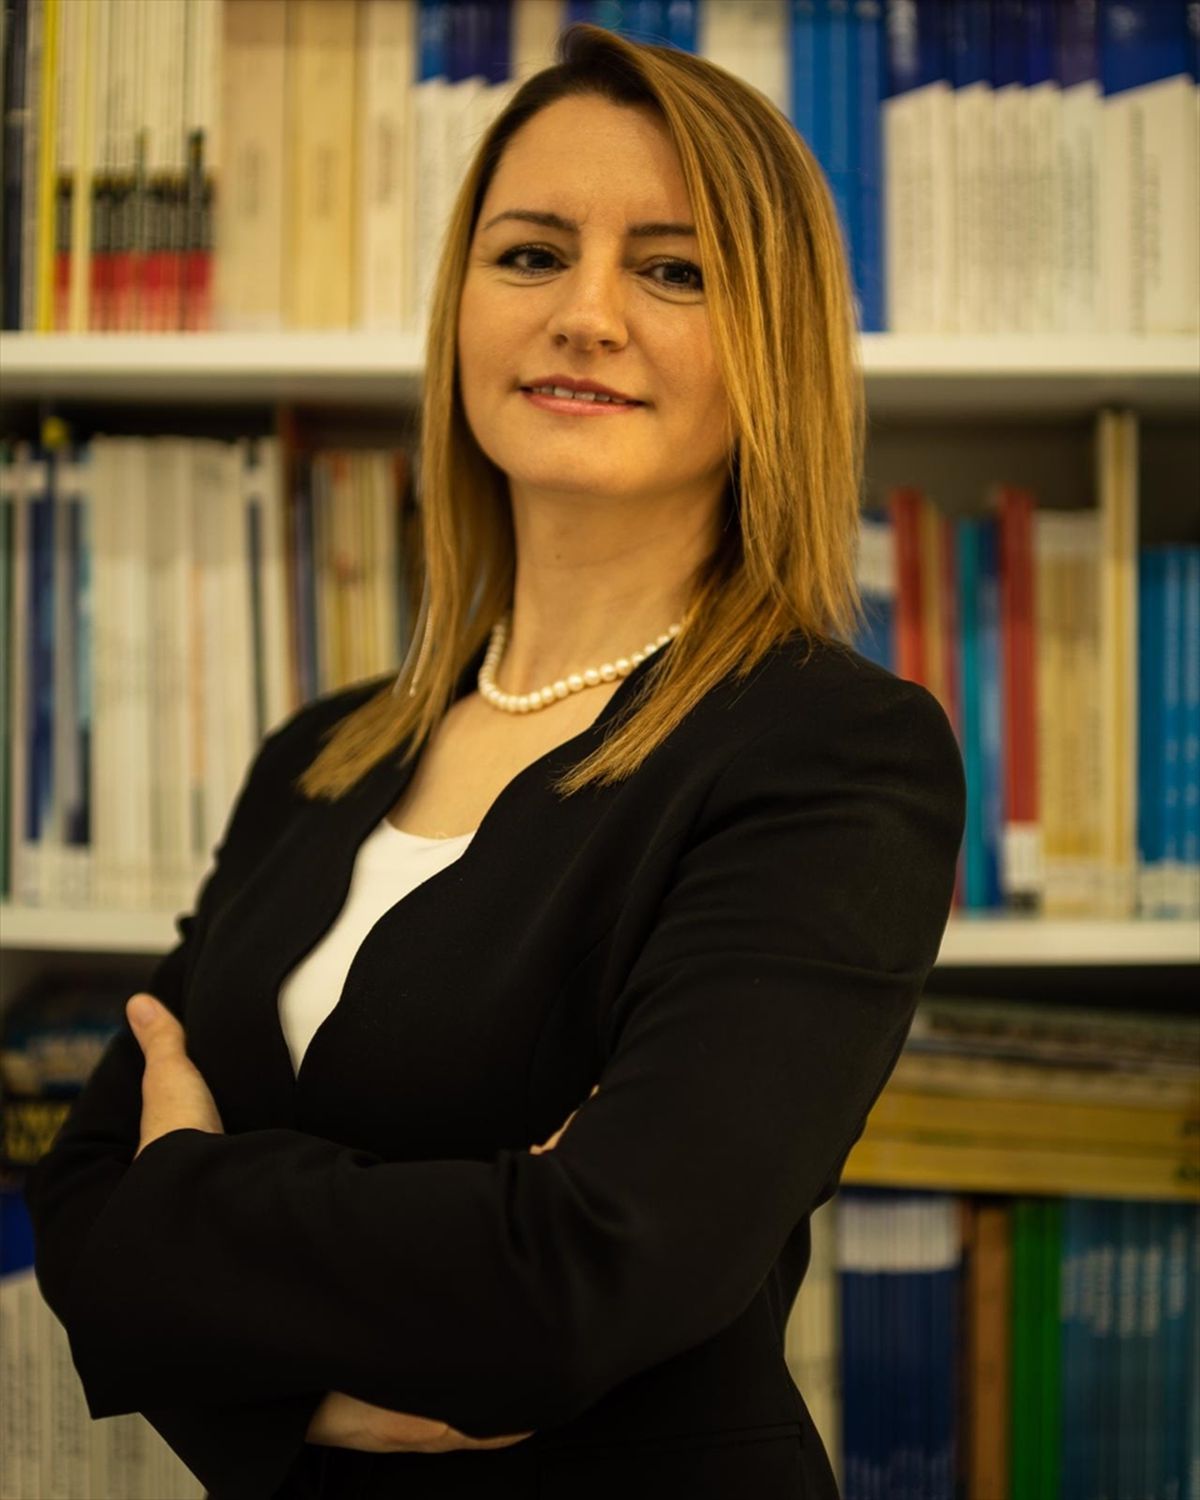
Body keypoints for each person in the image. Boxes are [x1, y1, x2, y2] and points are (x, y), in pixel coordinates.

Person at [24, 21, 965, 1500]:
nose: (585, 315)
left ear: (772, 344)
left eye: (674, 271)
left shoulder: (835, 756)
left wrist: (188, 1202)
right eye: (531, 255)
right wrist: (319, 1402)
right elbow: (81, 1206)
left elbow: (583, 1277)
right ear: (461, 306)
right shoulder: (322, 754)